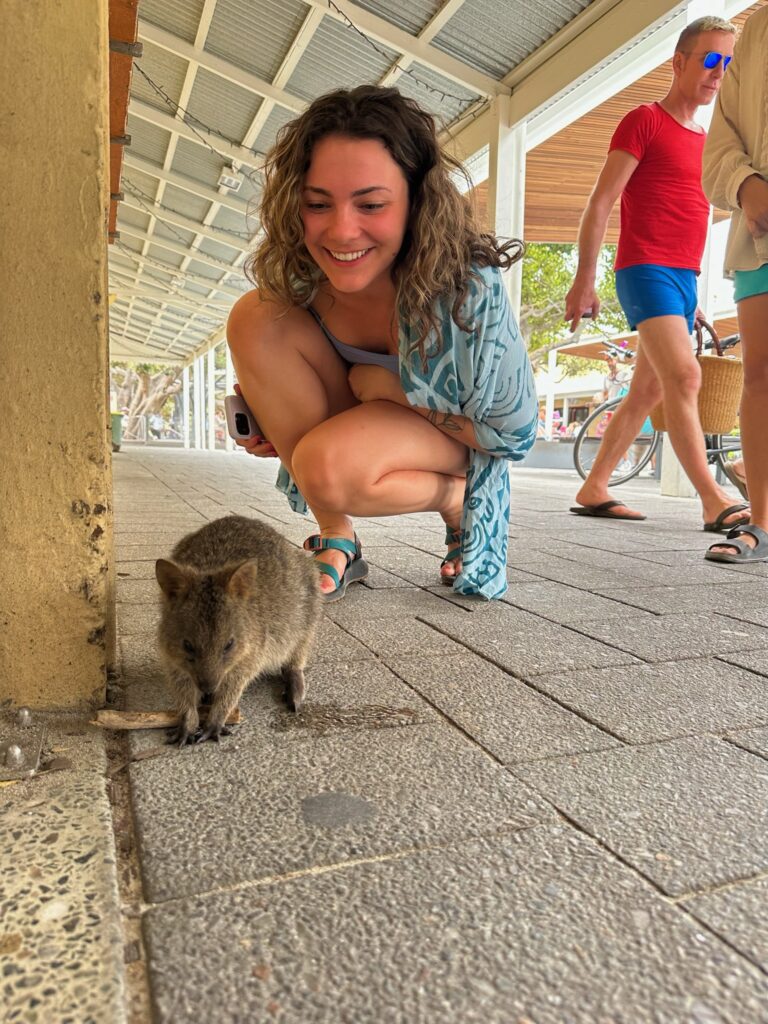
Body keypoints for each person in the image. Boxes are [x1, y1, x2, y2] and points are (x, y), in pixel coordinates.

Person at [226, 86, 537, 601]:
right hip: (372, 419)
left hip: (464, 440)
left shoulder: (467, 292)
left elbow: (514, 439)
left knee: (326, 465)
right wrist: (278, 428)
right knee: (256, 314)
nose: (342, 231)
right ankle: (336, 534)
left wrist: (395, 393)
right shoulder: (303, 284)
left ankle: (457, 501)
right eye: (317, 204)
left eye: (370, 203)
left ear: (417, 202)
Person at [565, 16, 749, 531]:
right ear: (680, 62)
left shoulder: (711, 142)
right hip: (643, 268)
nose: (719, 72)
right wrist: (585, 279)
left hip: (682, 280)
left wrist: (695, 297)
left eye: (728, 63)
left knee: (650, 389)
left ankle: (594, 484)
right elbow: (600, 203)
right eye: (711, 59)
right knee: (686, 377)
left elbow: (696, 219)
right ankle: (713, 500)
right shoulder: (644, 120)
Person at [702, 5, 768, 563]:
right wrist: (745, 185)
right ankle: (761, 524)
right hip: (760, 229)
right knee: (760, 373)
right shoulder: (757, 31)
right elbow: (720, 142)